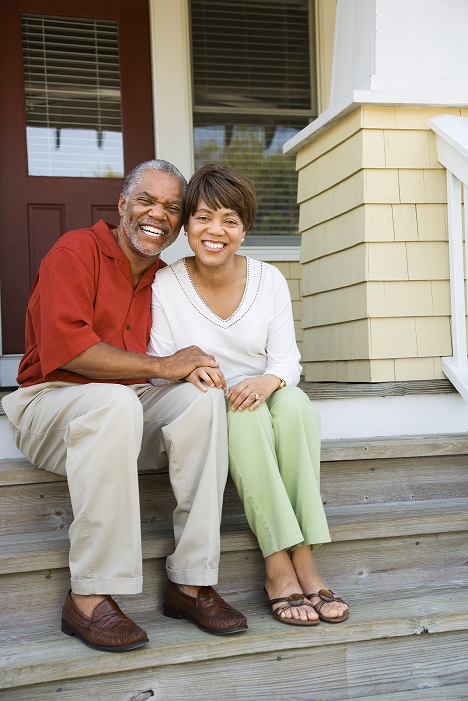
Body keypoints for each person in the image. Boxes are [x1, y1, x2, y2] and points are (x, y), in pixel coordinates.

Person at [2, 159, 248, 653]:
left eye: (172, 207)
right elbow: (68, 351)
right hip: (48, 405)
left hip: (125, 411)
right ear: (122, 205)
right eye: (146, 200)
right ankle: (90, 595)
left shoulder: (165, 278)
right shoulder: (75, 251)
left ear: (179, 225)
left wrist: (197, 371)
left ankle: (191, 582)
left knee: (202, 402)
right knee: (117, 401)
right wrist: (164, 365)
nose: (158, 213)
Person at [147, 163, 349, 626]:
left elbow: (286, 362)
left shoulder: (269, 279)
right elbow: (160, 366)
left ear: (245, 228)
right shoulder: (165, 285)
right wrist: (192, 376)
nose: (215, 231)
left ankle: (305, 557)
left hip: (263, 393)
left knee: (295, 404)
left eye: (230, 220)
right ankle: (280, 564)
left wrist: (266, 382)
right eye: (202, 217)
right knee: (245, 415)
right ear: (186, 225)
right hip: (212, 405)